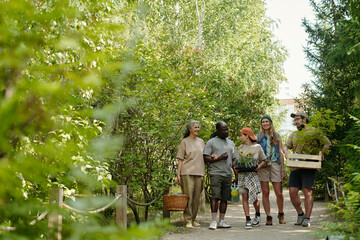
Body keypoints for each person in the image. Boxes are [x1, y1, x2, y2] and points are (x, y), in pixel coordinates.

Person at [284, 111, 331, 227]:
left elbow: (327, 143)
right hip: (295, 166)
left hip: (310, 166)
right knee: (292, 192)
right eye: (294, 120)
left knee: (307, 192)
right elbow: (286, 146)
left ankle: (307, 218)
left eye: (297, 119)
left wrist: (322, 153)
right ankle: (300, 214)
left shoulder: (314, 131)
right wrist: (286, 152)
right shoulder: (294, 134)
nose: (295, 122)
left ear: (304, 119)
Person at [203, 121, 238, 230]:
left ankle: (221, 221)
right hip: (216, 173)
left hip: (227, 174)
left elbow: (233, 161)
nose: (226, 131)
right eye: (224, 129)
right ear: (218, 130)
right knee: (215, 197)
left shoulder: (231, 143)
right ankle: (213, 221)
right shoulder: (211, 142)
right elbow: (205, 158)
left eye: (227, 129)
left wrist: (236, 175)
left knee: (225, 198)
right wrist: (220, 158)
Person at [256, 114, 287, 225]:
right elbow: (253, 149)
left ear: (270, 123)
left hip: (275, 164)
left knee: (279, 192)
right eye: (263, 122)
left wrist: (283, 169)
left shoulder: (277, 136)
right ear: (261, 124)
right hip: (263, 165)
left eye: (267, 121)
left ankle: (281, 213)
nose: (265, 124)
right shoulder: (258, 137)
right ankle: (268, 216)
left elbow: (280, 152)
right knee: (265, 192)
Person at [176, 120, 205, 228]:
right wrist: (178, 174)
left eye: (198, 127)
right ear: (190, 129)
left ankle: (193, 219)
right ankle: (187, 220)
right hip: (187, 172)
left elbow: (205, 155)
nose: (197, 129)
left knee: (197, 197)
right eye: (195, 127)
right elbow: (180, 159)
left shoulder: (201, 141)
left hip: (200, 172)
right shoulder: (184, 141)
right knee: (189, 197)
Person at [236, 127, 266, 229]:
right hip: (243, 175)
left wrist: (259, 167)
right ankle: (248, 219)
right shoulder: (240, 148)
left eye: (241, 135)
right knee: (244, 197)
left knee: (254, 197)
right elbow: (238, 162)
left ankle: (257, 215)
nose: (240, 137)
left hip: (252, 175)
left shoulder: (257, 147)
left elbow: (264, 160)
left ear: (247, 136)